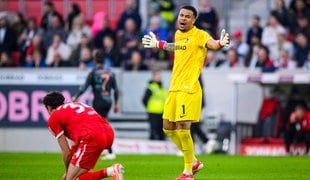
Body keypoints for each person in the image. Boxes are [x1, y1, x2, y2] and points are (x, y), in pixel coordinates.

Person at [142, 5, 229, 180]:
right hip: (174, 87)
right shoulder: (178, 34)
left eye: (187, 16)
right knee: (167, 127)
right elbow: (177, 47)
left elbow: (212, 44)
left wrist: (220, 43)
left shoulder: (200, 35)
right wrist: (158, 44)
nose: (182, 18)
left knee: (183, 128)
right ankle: (193, 160)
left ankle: (188, 172)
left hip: (189, 89)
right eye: (181, 15)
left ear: (193, 20)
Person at [42, 91, 124, 180]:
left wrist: (68, 172)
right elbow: (74, 145)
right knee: (77, 176)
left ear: (49, 108)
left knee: (70, 178)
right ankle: (111, 171)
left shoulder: (54, 118)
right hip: (108, 133)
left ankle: (112, 171)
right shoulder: (75, 105)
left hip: (92, 136)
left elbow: (66, 152)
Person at [72, 50, 120, 160]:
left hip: (99, 101)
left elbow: (85, 86)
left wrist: (76, 96)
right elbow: (116, 90)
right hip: (108, 101)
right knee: (102, 125)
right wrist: (116, 103)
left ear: (94, 60)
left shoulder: (93, 72)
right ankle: (105, 149)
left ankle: (110, 151)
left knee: (99, 126)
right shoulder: (110, 72)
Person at [142, 70, 167, 140]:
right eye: (157, 76)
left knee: (161, 130)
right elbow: (144, 100)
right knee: (153, 130)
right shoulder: (151, 87)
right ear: (153, 77)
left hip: (162, 112)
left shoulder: (162, 87)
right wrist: (150, 107)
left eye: (160, 76)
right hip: (153, 112)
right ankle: (152, 145)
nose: (159, 77)